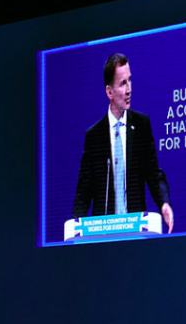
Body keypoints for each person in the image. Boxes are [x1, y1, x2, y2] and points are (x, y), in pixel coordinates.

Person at [72, 53, 174, 232]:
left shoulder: (142, 126)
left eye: (130, 81)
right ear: (109, 92)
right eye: (122, 84)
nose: (129, 90)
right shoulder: (94, 136)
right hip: (103, 233)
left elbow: (153, 173)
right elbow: (84, 191)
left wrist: (164, 203)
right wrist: (74, 224)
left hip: (135, 230)